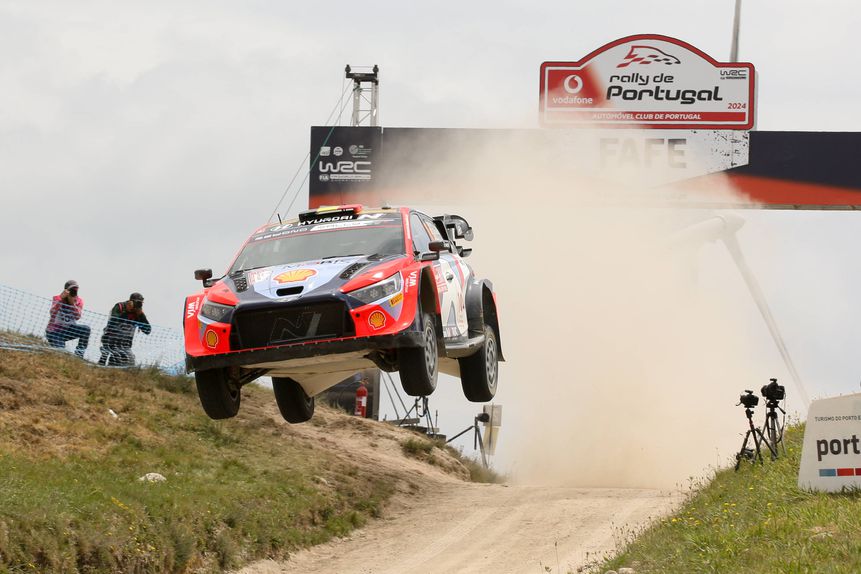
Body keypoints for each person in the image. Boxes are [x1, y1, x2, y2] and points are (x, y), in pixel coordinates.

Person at [98, 292, 152, 367]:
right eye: (137, 303)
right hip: (110, 340)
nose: (138, 305)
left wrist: (141, 316)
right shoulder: (120, 306)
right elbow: (113, 322)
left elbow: (147, 330)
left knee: (129, 364)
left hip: (125, 344)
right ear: (130, 301)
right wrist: (126, 311)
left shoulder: (138, 314)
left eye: (140, 303)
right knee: (106, 360)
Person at [45, 280, 91, 358]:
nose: (73, 292)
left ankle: (79, 355)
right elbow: (52, 312)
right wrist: (60, 299)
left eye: (75, 290)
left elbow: (77, 317)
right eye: (71, 290)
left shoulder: (79, 301)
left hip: (69, 330)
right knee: (61, 352)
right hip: (54, 332)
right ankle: (56, 344)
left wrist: (73, 304)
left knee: (86, 329)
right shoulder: (57, 298)